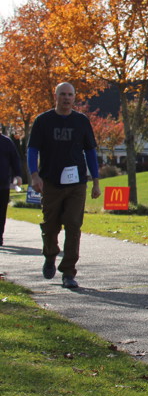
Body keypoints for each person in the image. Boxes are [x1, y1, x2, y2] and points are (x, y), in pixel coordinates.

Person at [27, 83, 102, 288]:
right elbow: (32, 149)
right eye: (63, 94)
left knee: (73, 224)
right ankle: (50, 255)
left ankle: (68, 272)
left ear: (74, 97)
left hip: (77, 183)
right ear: (56, 96)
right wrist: (34, 175)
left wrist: (96, 181)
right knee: (50, 226)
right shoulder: (43, 121)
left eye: (70, 95)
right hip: (50, 182)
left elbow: (90, 152)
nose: (66, 98)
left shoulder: (81, 121)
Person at [1, 131, 23, 247]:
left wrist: (18, 175)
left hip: (3, 183)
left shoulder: (6, 142)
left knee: (1, 212)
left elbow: (15, 160)